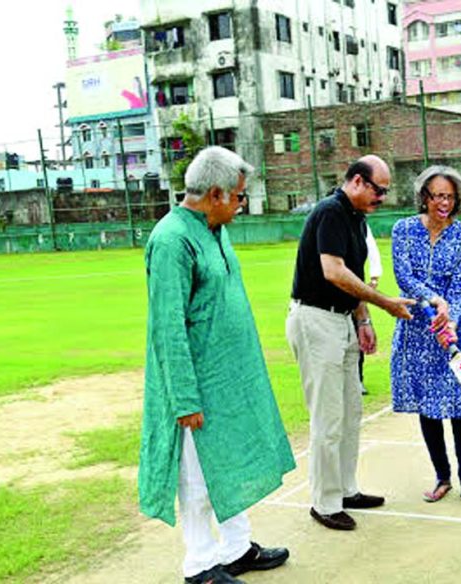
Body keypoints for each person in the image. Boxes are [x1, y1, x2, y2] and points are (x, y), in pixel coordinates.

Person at [138, 146, 295, 584]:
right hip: (196, 384)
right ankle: (201, 567)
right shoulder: (172, 240)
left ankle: (237, 548)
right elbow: (167, 329)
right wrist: (184, 399)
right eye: (239, 197)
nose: (242, 205)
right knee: (197, 476)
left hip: (230, 378)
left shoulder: (216, 228)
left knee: (230, 462)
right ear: (214, 194)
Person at [286, 155, 415, 531]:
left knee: (350, 411)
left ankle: (345, 488)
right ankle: (324, 503)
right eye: (379, 190)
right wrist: (386, 303)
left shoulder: (357, 220)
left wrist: (364, 319)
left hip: (341, 320)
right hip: (315, 319)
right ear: (358, 181)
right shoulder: (331, 211)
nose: (383, 198)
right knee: (327, 416)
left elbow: (354, 276)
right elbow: (334, 271)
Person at [390, 165, 461, 509]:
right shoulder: (403, 230)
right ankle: (442, 477)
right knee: (428, 405)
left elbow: (460, 286)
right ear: (424, 197)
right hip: (418, 328)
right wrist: (435, 302)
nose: (443, 202)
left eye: (449, 196)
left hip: (455, 329)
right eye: (436, 196)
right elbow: (404, 277)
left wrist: (451, 319)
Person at [357, 224, 383, 395]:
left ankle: (358, 380)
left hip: (355, 289)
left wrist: (374, 278)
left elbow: (371, 248)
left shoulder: (360, 224)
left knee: (357, 334)